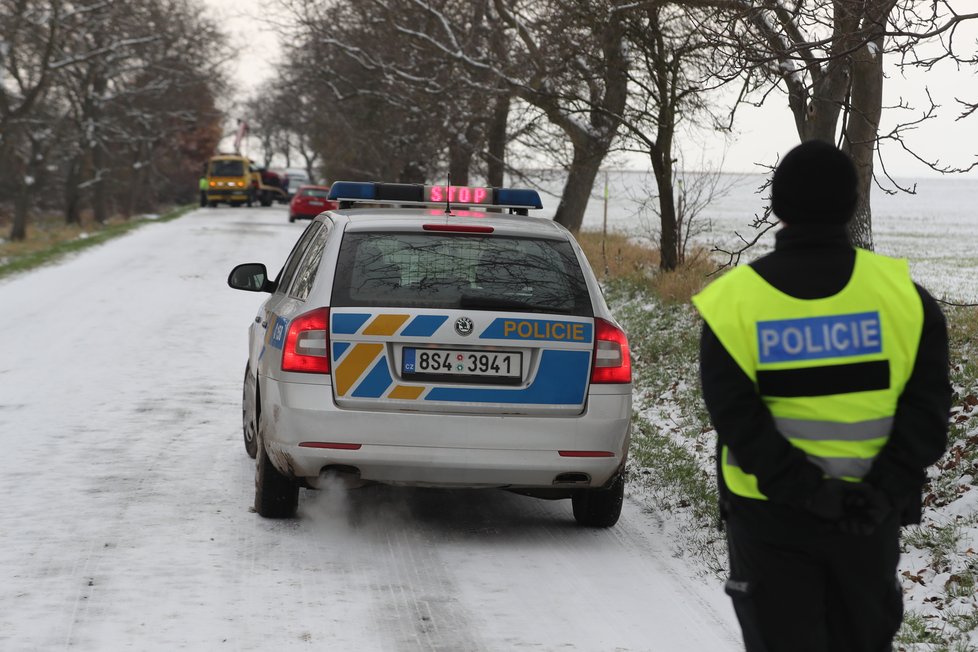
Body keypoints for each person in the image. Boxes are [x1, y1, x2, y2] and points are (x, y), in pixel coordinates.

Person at [691, 141, 951, 652]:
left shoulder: (733, 303)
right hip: (868, 519)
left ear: (778, 205)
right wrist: (879, 492)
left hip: (770, 520)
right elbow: (928, 416)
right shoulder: (905, 298)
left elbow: (738, 421)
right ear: (853, 205)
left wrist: (808, 491)